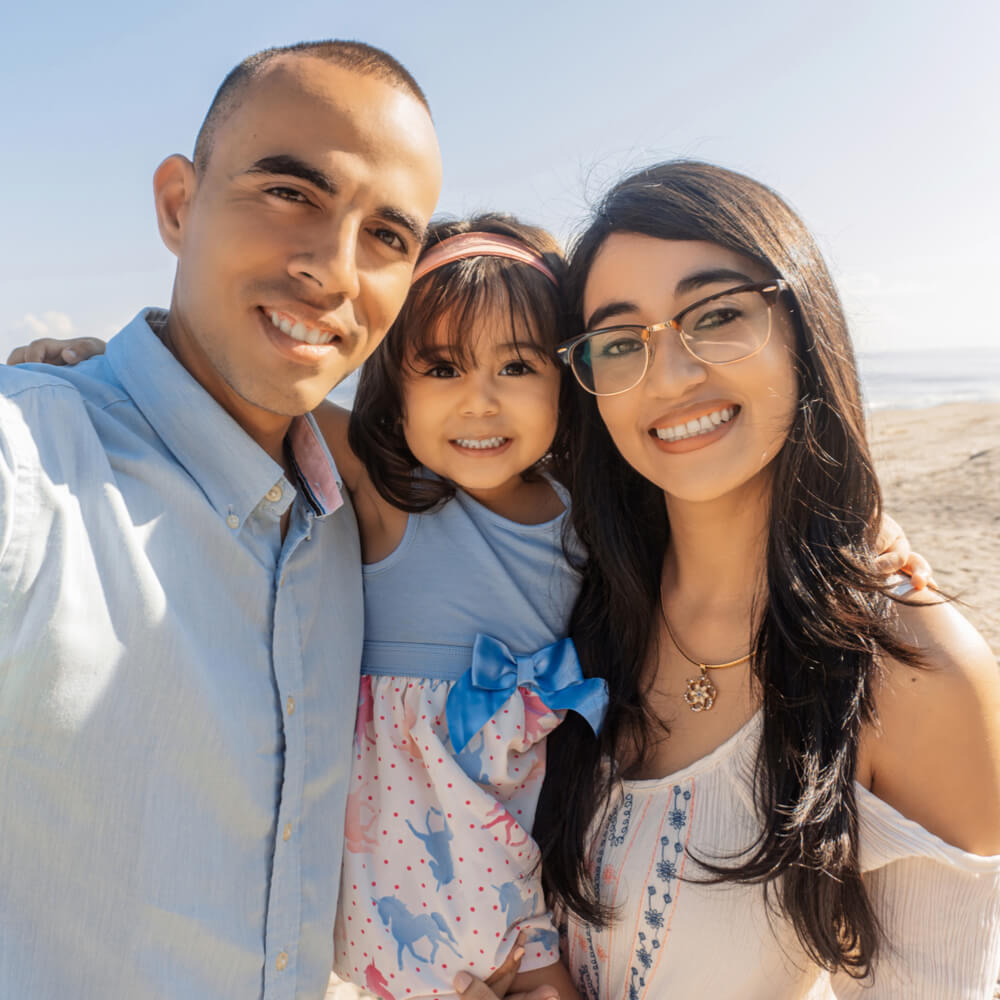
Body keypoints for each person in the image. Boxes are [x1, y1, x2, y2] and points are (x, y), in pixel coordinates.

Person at [460, 160, 1000, 999]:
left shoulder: (919, 672)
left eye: (715, 317)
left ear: (803, 327)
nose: (670, 376)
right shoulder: (561, 587)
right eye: (619, 341)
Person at [0, 39, 441, 1000]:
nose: (332, 269)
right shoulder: (35, 465)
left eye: (388, 238)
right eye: (292, 194)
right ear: (177, 204)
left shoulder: (350, 519)